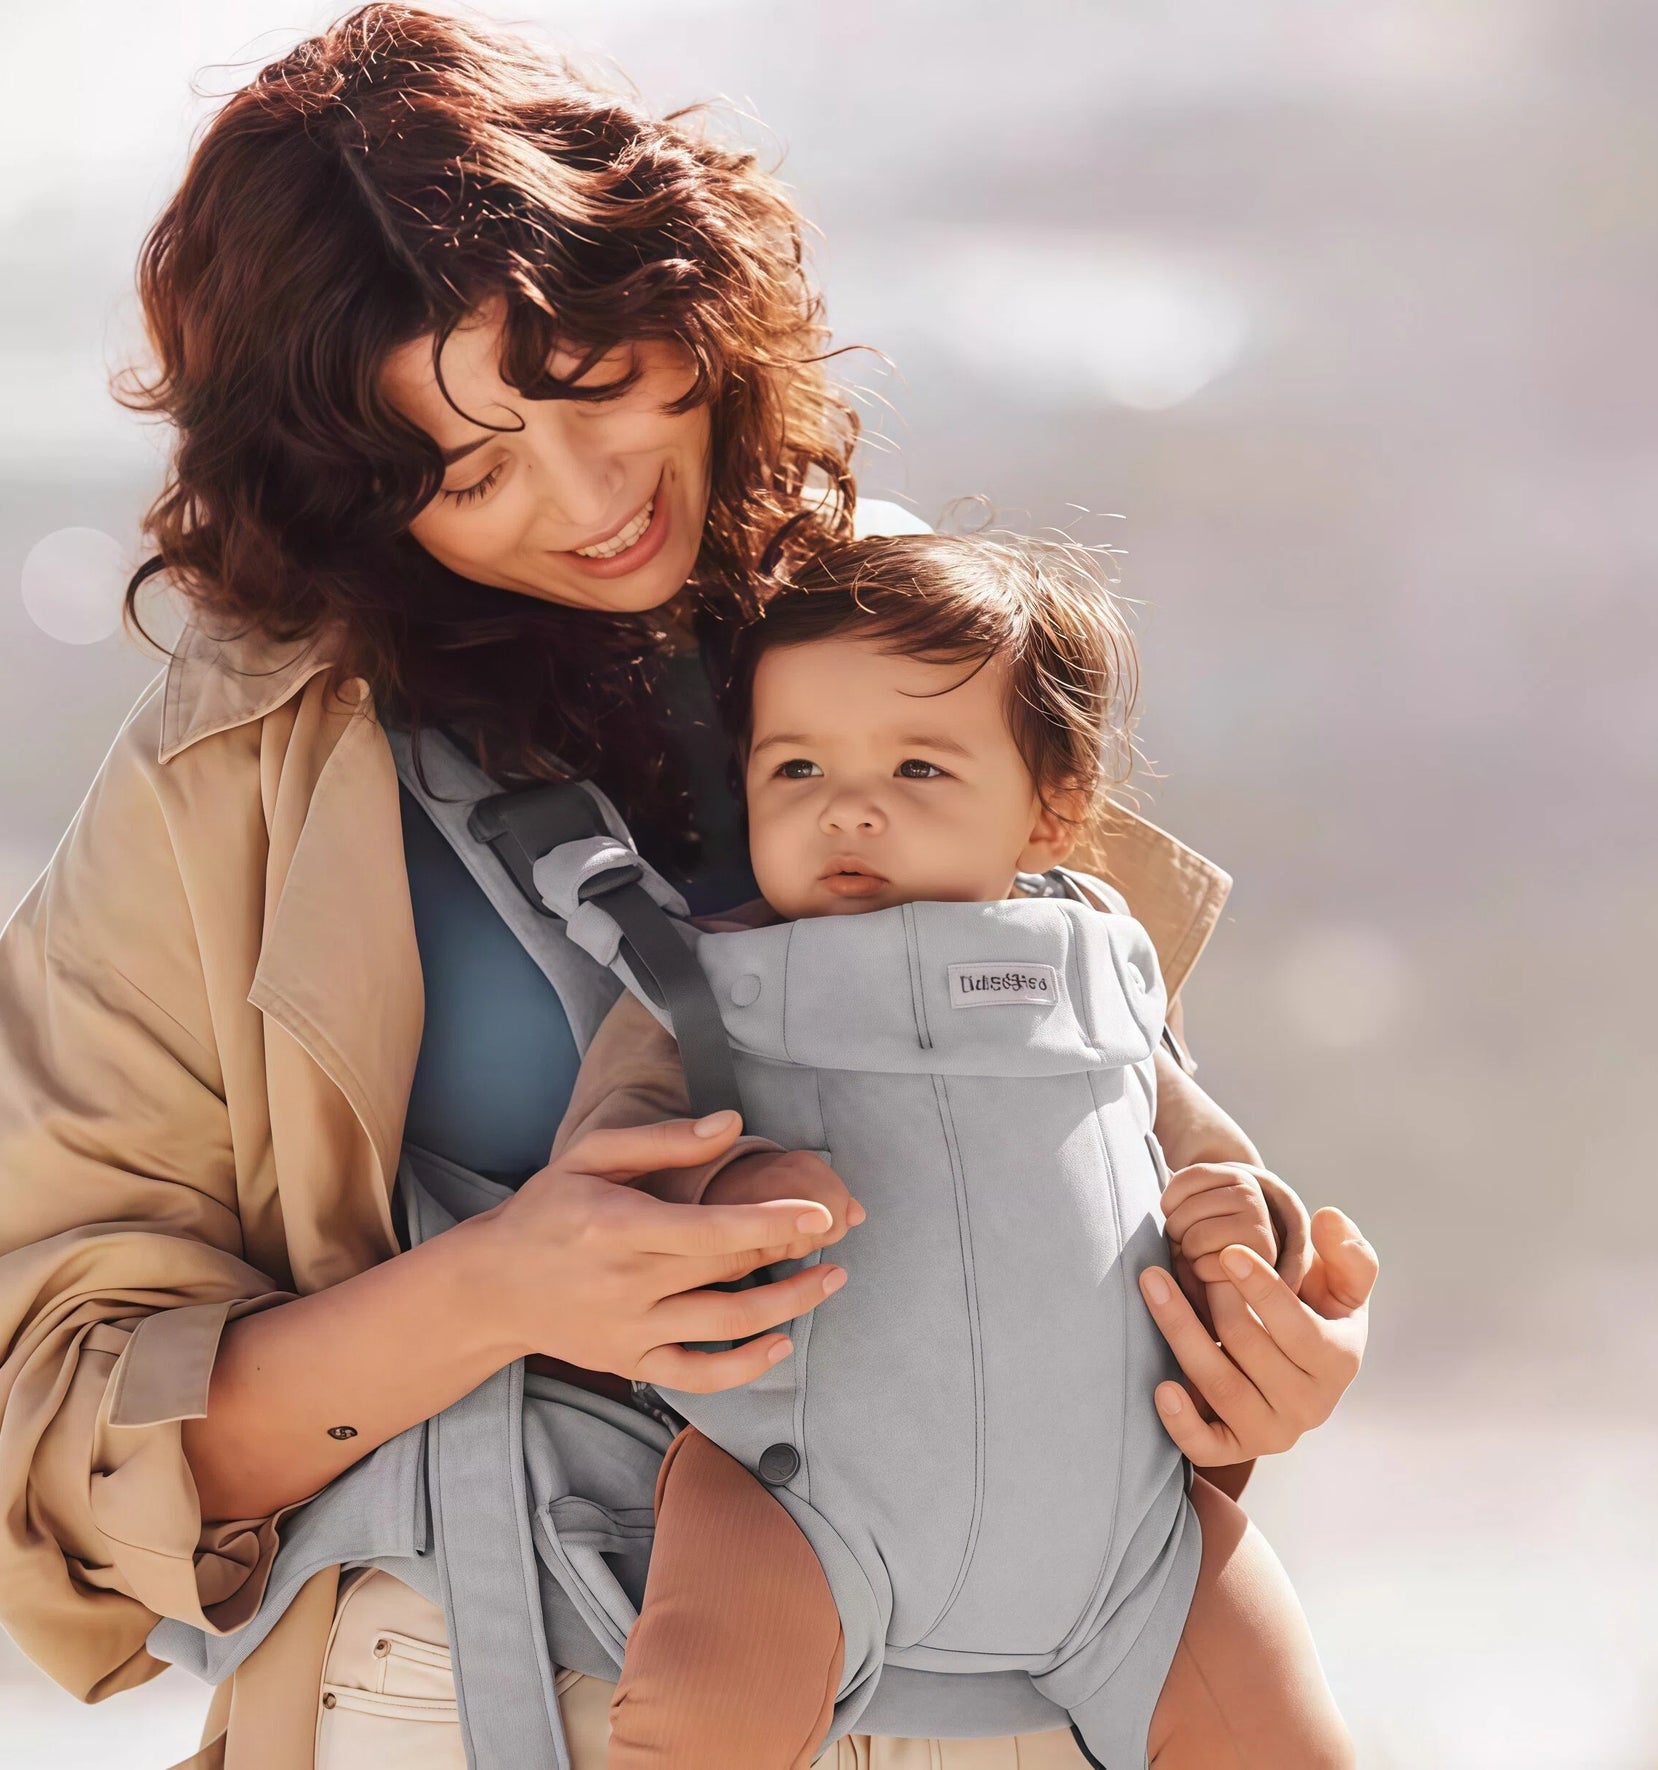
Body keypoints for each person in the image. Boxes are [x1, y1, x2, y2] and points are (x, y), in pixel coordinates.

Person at [0, 9, 1378, 1768]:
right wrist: (502, 1290)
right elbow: (42, 1448)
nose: (591, 503)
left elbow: (1089, 1168)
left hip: (1022, 1702)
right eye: (471, 469)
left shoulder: (926, 635)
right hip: (500, 1698)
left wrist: (1255, 1348)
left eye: (596, 393)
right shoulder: (236, 780)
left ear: (690, 303)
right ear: (346, 497)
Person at [553, 531, 1351, 1768]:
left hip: (1127, 1543)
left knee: (1278, 1731)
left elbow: (1207, 1154)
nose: (847, 805)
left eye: (919, 766)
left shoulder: (1101, 966)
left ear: (1052, 809)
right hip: (803, 1509)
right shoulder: (703, 986)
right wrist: (724, 1185)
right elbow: (603, 1169)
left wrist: (1244, 1227)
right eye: (796, 767)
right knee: (699, 1713)